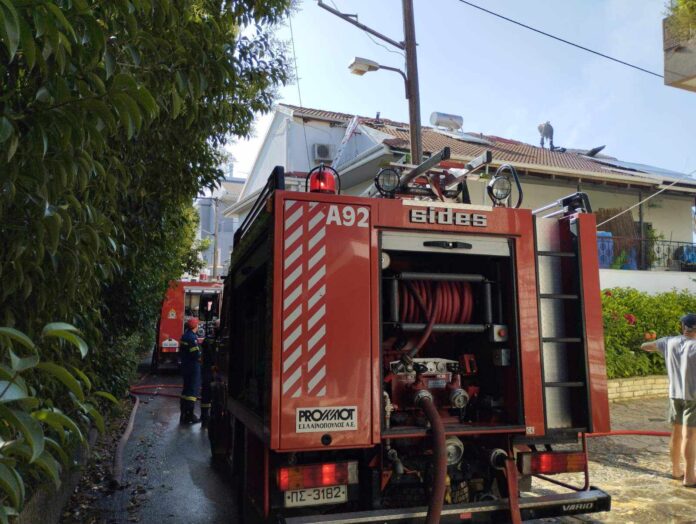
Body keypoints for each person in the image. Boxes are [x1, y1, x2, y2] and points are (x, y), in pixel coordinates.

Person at [640, 313, 696, 487]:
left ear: (683, 327)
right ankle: (689, 477)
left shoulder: (668, 342)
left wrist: (657, 345)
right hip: (693, 397)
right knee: (690, 436)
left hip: (674, 395)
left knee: (676, 433)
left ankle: (676, 470)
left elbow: (645, 346)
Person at [179, 317, 202, 424]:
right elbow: (196, 354)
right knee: (192, 391)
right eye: (198, 325)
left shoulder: (185, 335)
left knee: (186, 390)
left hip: (186, 366)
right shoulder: (192, 338)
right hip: (193, 367)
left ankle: (184, 414)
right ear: (195, 326)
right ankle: (189, 415)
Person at [199, 319, 220, 427]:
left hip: (207, 370)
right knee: (212, 394)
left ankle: (205, 417)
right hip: (213, 371)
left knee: (206, 394)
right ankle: (209, 417)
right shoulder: (219, 340)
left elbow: (202, 355)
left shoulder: (207, 340)